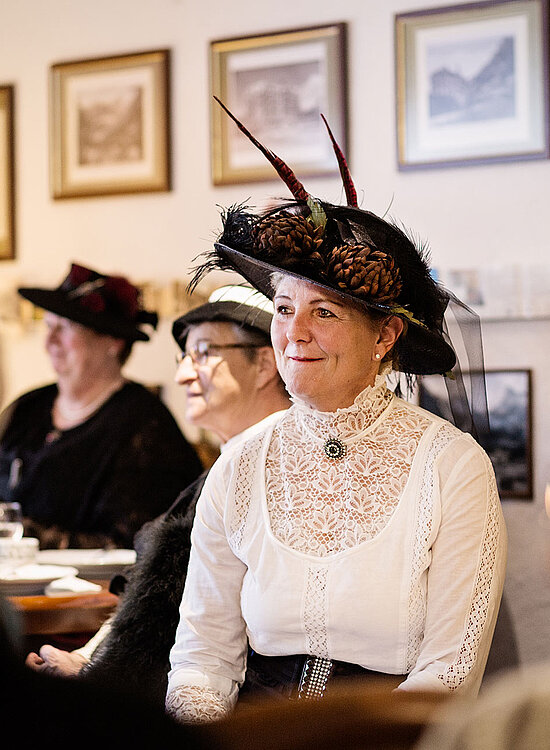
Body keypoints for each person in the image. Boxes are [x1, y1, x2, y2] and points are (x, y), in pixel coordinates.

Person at [165, 103, 507, 725]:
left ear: (384, 339)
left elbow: (449, 672)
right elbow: (203, 656)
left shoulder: (453, 468)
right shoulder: (241, 463)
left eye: (324, 313)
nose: (294, 333)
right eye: (284, 307)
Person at [25, 284, 290, 708]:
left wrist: (92, 672)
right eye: (184, 357)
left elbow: (195, 635)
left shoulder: (280, 476)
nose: (183, 374)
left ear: (264, 363)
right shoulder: (224, 471)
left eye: (203, 353)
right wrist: (84, 659)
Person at [0, 262, 203, 549]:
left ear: (113, 341)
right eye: (48, 327)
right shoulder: (28, 407)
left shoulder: (144, 424)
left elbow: (131, 543)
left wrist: (26, 537)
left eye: (65, 328)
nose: (50, 342)